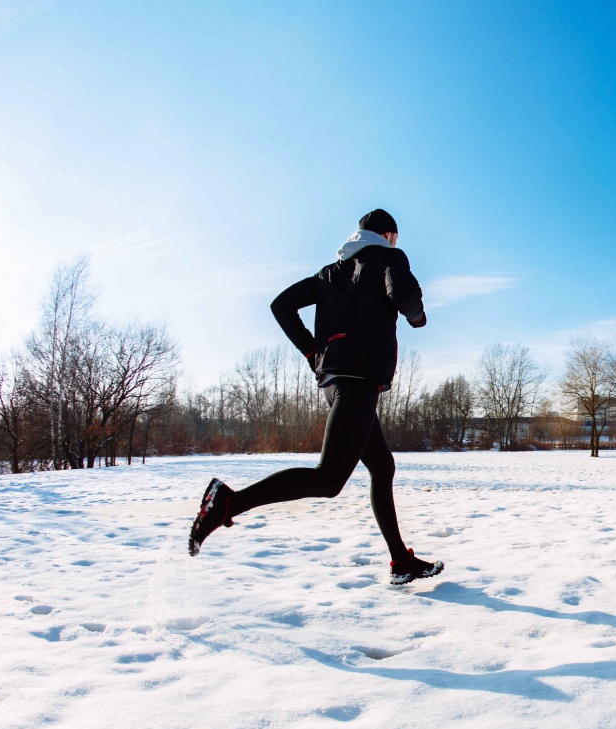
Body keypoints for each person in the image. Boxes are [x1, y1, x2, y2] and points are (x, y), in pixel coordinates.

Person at [187, 209, 444, 586]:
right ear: (389, 235)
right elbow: (404, 295)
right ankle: (226, 503)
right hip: (358, 381)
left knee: (382, 467)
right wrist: (418, 317)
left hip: (340, 382)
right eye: (395, 239)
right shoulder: (389, 257)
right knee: (329, 479)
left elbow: (281, 305)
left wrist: (312, 353)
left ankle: (400, 561)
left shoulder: (330, 272)